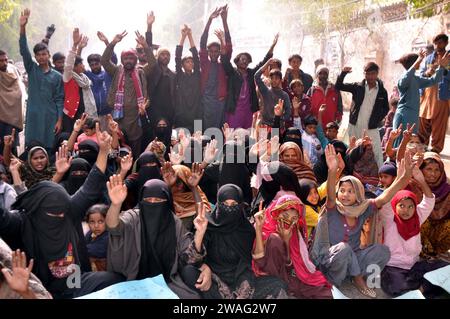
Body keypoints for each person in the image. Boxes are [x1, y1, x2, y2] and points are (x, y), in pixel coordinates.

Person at [0, 127, 125, 299]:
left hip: (75, 283)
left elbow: (90, 185)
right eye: (53, 215)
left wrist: (103, 151)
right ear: (39, 209)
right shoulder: (23, 221)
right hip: (39, 290)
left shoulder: (68, 210)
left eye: (62, 214)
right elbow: (3, 219)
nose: (60, 218)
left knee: (116, 280)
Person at [310, 145, 414, 298]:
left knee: (382, 251)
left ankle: (354, 276)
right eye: (342, 190)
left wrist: (403, 179)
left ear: (358, 194)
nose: (345, 195)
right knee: (344, 249)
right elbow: (331, 195)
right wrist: (332, 171)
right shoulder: (333, 208)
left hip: (354, 257)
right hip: (330, 259)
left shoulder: (363, 209)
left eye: (351, 191)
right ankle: (343, 280)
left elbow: (383, 198)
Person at [179, 184, 288, 299]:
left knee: (278, 285)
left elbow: (252, 262)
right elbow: (190, 260)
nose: (229, 209)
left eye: (234, 205)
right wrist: (200, 233)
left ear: (241, 205)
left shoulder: (246, 230)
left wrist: (258, 229)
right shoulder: (208, 225)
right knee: (189, 272)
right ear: (218, 204)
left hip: (240, 278)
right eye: (224, 204)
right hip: (213, 279)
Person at [105, 176, 199, 298]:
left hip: (167, 280)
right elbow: (112, 226)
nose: (153, 204)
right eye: (148, 200)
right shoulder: (134, 217)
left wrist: (200, 234)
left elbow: (188, 252)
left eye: (158, 201)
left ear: (167, 202)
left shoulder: (174, 223)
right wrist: (115, 205)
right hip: (134, 278)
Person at [253, 195, 332, 299]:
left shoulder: (293, 230)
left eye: (294, 218)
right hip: (270, 276)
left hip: (289, 274)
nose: (288, 221)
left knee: (324, 293)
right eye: (285, 216)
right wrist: (258, 229)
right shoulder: (265, 227)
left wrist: (286, 240)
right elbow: (260, 262)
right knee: (274, 239)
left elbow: (289, 264)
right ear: (277, 212)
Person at [380, 181, 449, 298]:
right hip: (393, 268)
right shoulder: (389, 219)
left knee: (446, 268)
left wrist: (421, 180)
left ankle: (420, 290)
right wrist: (402, 178)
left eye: (410, 206)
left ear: (415, 208)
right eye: (402, 205)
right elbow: (384, 200)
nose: (406, 210)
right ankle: (421, 289)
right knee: (395, 288)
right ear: (395, 205)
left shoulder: (417, 218)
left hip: (415, 266)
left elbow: (429, 200)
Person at [101, 29, 155, 158]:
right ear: (122, 60)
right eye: (126, 58)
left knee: (135, 152)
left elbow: (153, 63)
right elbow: (104, 61)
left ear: (135, 59)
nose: (129, 60)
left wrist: (146, 46)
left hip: (136, 119)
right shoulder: (116, 71)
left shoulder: (141, 72)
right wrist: (112, 43)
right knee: (117, 150)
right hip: (119, 118)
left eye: (131, 58)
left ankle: (132, 173)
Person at [19, 9, 64, 151]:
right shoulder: (32, 69)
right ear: (36, 57)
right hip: (33, 116)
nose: (41, 57)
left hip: (50, 117)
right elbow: (24, 50)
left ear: (48, 55)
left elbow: (59, 99)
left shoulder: (57, 76)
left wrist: (59, 120)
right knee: (32, 148)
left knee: (49, 148)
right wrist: (22, 27)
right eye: (38, 55)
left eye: (44, 54)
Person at [221, 30, 278, 129]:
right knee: (233, 136)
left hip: (248, 110)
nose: (245, 61)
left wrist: (272, 47)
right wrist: (222, 41)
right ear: (237, 61)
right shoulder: (232, 72)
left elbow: (263, 62)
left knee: (248, 136)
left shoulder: (252, 73)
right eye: (242, 59)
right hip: (234, 110)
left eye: (247, 60)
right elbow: (224, 60)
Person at [335, 62, 388, 168]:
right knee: (354, 150)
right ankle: (352, 173)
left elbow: (385, 108)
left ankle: (381, 176)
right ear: (364, 74)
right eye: (368, 74)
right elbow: (339, 86)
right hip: (355, 125)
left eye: (373, 73)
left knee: (376, 150)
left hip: (371, 127)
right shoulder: (357, 87)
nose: (370, 76)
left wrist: (376, 119)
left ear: (377, 74)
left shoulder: (382, 91)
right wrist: (343, 73)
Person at [393, 50, 449, 147]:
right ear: (413, 63)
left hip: (414, 116)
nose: (420, 64)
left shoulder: (416, 79)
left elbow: (433, 80)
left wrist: (441, 67)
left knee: (411, 145)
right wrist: (418, 61)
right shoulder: (403, 78)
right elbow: (406, 78)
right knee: (400, 144)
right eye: (418, 62)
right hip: (404, 115)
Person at [409, 152, 450, 258]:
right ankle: (421, 250)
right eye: (429, 169)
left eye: (437, 170)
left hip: (437, 231)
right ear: (421, 170)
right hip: (417, 232)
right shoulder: (413, 185)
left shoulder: (446, 188)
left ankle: (434, 251)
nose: (433, 174)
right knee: (420, 217)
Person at [200, 6, 232, 131]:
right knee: (206, 130)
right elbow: (202, 43)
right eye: (211, 51)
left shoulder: (223, 65)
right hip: (206, 102)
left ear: (219, 52)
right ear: (208, 52)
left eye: (216, 51)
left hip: (220, 102)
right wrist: (209, 20)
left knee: (219, 130)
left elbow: (228, 46)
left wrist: (224, 21)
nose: (213, 53)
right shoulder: (204, 63)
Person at [146, 11, 176, 140]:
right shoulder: (154, 70)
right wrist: (149, 26)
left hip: (168, 110)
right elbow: (148, 47)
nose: (165, 56)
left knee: (167, 137)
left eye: (167, 55)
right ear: (157, 56)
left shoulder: (172, 74)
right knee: (152, 136)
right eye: (162, 54)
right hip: (153, 108)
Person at [419, 34, 450, 154]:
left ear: (446, 43)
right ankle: (422, 149)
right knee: (422, 125)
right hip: (426, 96)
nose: (438, 45)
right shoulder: (429, 58)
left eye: (441, 43)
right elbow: (421, 75)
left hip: (442, 97)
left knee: (439, 126)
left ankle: (435, 151)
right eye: (436, 43)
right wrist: (428, 72)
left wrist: (443, 69)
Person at [62, 28, 98, 133]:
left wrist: (80, 47)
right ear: (75, 67)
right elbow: (69, 63)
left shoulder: (84, 78)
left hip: (86, 114)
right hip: (72, 115)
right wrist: (74, 45)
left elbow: (75, 60)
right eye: (81, 64)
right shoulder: (68, 77)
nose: (84, 66)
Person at [84, 31, 118, 132]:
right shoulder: (87, 76)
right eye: (92, 64)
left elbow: (113, 59)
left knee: (109, 139)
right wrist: (80, 48)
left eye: (96, 63)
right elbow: (76, 66)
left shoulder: (108, 73)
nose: (94, 66)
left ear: (101, 63)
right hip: (93, 116)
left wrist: (107, 42)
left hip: (109, 114)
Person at [174, 25, 202, 133]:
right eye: (187, 62)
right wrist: (183, 37)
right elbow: (177, 57)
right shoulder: (180, 76)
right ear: (182, 65)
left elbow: (196, 56)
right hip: (182, 113)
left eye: (191, 62)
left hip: (197, 112)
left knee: (198, 139)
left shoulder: (197, 75)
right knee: (181, 139)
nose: (190, 63)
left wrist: (190, 36)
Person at [255, 59, 292, 128]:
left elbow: (288, 113)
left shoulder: (284, 95)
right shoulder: (265, 91)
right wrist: (267, 63)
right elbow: (256, 76)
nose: (274, 80)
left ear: (281, 80)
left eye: (276, 78)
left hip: (277, 126)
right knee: (262, 139)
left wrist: (280, 118)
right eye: (272, 78)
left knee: (275, 139)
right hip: (264, 125)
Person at [0, 50, 24, 155]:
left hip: (12, 119)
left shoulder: (12, 73)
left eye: (5, 60)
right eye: (1, 61)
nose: (4, 63)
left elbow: (18, 94)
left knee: (12, 148)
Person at [85, 204, 109, 272]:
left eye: (100, 221)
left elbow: (88, 251)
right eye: (92, 222)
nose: (96, 226)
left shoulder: (108, 236)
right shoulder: (90, 233)